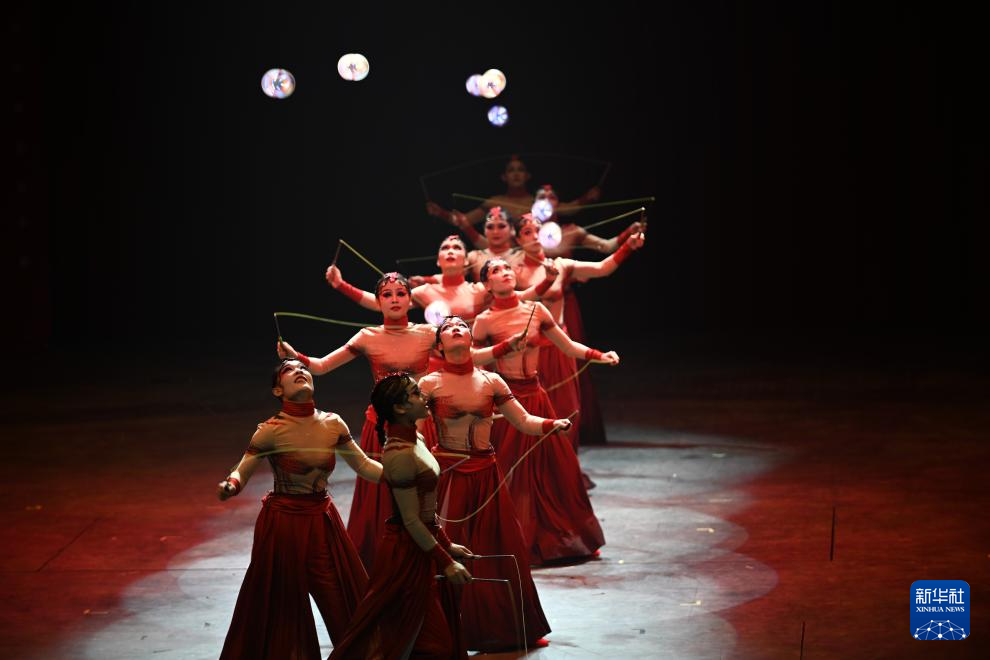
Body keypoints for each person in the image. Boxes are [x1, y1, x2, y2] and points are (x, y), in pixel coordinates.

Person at [277, 271, 522, 569]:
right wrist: (296, 355)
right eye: (387, 294)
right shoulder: (368, 336)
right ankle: (387, 561)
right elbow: (321, 366)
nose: (394, 299)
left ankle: (432, 556)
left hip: (420, 425)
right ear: (378, 302)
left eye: (400, 293)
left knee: (422, 496)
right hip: (381, 427)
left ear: (410, 299)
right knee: (386, 494)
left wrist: (507, 347)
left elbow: (468, 356)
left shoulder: (427, 333)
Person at [217, 358, 383, 660]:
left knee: (339, 600)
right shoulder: (270, 431)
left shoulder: (333, 423)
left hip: (321, 523)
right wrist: (231, 484)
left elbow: (364, 465)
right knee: (282, 609)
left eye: (303, 368)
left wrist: (400, 474)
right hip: (283, 525)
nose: (300, 371)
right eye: (289, 370)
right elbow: (243, 468)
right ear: (277, 390)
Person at [420, 316, 568, 650]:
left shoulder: (491, 380)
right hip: (450, 474)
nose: (456, 328)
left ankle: (508, 627)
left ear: (471, 340)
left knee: (500, 544)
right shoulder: (429, 384)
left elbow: (523, 420)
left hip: (487, 474)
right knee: (445, 547)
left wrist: (551, 424)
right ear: (439, 346)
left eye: (462, 326)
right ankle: (441, 632)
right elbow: (414, 432)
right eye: (448, 328)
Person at [472, 257, 617, 564]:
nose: (505, 273)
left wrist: (599, 355)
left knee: (553, 466)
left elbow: (568, 346)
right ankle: (514, 539)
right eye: (496, 271)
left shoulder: (536, 310)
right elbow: (472, 360)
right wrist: (501, 350)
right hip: (508, 400)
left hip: (536, 396)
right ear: (486, 284)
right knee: (511, 471)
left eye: (507, 268)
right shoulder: (484, 320)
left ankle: (561, 538)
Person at [328, 373, 473, 660]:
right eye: (416, 393)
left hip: (420, 546)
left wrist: (447, 545)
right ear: (399, 408)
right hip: (405, 554)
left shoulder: (416, 438)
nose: (424, 397)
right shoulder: (399, 455)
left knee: (422, 640)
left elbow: (426, 512)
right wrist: (445, 561)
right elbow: (410, 520)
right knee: (428, 644)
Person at [513, 211, 645, 456]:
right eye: (527, 232)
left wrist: (628, 246)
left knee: (566, 409)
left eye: (538, 230)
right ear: (518, 240)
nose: (535, 236)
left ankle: (565, 467)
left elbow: (603, 268)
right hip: (528, 352)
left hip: (560, 348)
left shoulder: (561, 265)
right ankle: (537, 471)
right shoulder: (513, 270)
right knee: (531, 413)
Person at [425, 155, 600, 244]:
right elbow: (463, 221)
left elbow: (569, 209)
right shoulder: (495, 202)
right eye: (511, 170)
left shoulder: (538, 202)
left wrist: (587, 198)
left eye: (520, 170)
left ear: (527, 176)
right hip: (506, 259)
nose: (516, 174)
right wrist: (440, 213)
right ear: (504, 177)